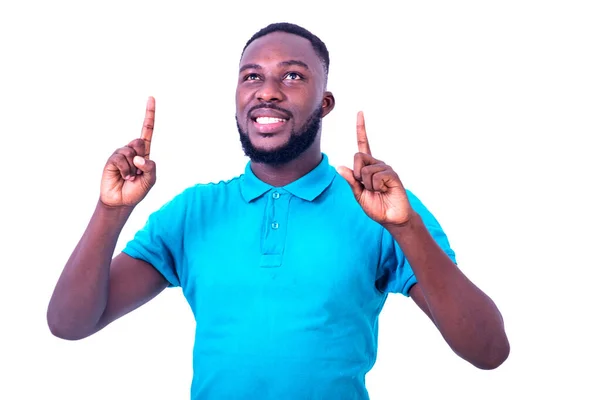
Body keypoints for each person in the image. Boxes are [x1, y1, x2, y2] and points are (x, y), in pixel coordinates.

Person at [47, 22, 510, 399]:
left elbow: (488, 350)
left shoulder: (383, 210)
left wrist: (406, 229)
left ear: (324, 103)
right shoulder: (193, 212)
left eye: (292, 76)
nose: (266, 91)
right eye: (251, 76)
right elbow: (70, 323)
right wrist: (110, 212)